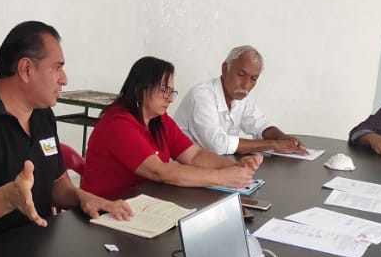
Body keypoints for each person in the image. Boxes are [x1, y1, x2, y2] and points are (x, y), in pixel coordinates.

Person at [0, 21, 132, 253]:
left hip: (35, 250)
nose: (64, 79)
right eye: (57, 67)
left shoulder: (42, 115)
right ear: (26, 69)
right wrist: (9, 198)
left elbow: (56, 183)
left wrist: (82, 197)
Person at [80, 56, 263, 198]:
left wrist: (234, 167)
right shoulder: (118, 124)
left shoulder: (159, 119)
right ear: (139, 88)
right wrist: (222, 177)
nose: (170, 99)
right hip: (107, 210)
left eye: (172, 91)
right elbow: (160, 172)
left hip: (142, 202)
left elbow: (194, 155)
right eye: (163, 90)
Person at [173, 45, 307, 156]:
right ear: (225, 69)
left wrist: (283, 138)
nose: (246, 85)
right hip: (182, 168)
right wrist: (273, 144)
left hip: (215, 165)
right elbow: (217, 145)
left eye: (253, 79)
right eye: (241, 75)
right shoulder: (202, 95)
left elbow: (260, 124)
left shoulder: (240, 97)